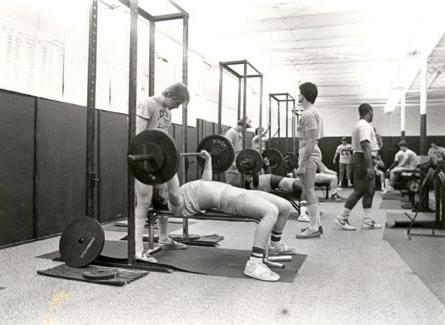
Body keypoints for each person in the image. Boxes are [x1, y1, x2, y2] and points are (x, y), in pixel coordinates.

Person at [165, 150, 296, 282]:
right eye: (159, 187)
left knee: (285, 206)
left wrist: (208, 160)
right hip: (227, 199)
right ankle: (254, 264)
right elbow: (173, 193)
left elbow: (206, 181)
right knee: (270, 212)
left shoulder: (185, 189)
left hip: (235, 191)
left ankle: (275, 245)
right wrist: (169, 166)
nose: (160, 185)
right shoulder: (175, 204)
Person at [135, 82, 190, 262]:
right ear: (170, 95)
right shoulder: (147, 104)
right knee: (144, 202)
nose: (177, 107)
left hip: (162, 161)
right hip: (144, 160)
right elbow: (137, 136)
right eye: (178, 102)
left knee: (170, 197)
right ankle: (137, 250)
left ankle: (164, 238)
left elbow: (163, 136)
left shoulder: (167, 112)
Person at [335, 103, 381, 231]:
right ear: (370, 112)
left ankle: (367, 220)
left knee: (370, 190)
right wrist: (370, 166)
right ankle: (342, 217)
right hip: (362, 159)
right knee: (360, 190)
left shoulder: (362, 125)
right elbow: (365, 145)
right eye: (372, 113)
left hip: (363, 158)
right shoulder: (364, 126)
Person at [294, 82, 324, 239]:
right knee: (309, 190)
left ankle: (313, 228)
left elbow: (312, 141)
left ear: (304, 95)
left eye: (299, 93)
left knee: (309, 190)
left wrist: (303, 164)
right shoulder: (309, 113)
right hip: (309, 154)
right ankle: (316, 224)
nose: (298, 96)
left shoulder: (309, 114)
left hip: (309, 155)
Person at [224, 117, 252, 186]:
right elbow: (227, 149)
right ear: (241, 125)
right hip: (231, 165)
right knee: (231, 186)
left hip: (238, 163)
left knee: (237, 185)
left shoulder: (239, 134)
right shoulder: (231, 133)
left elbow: (239, 149)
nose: (245, 129)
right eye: (245, 127)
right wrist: (232, 162)